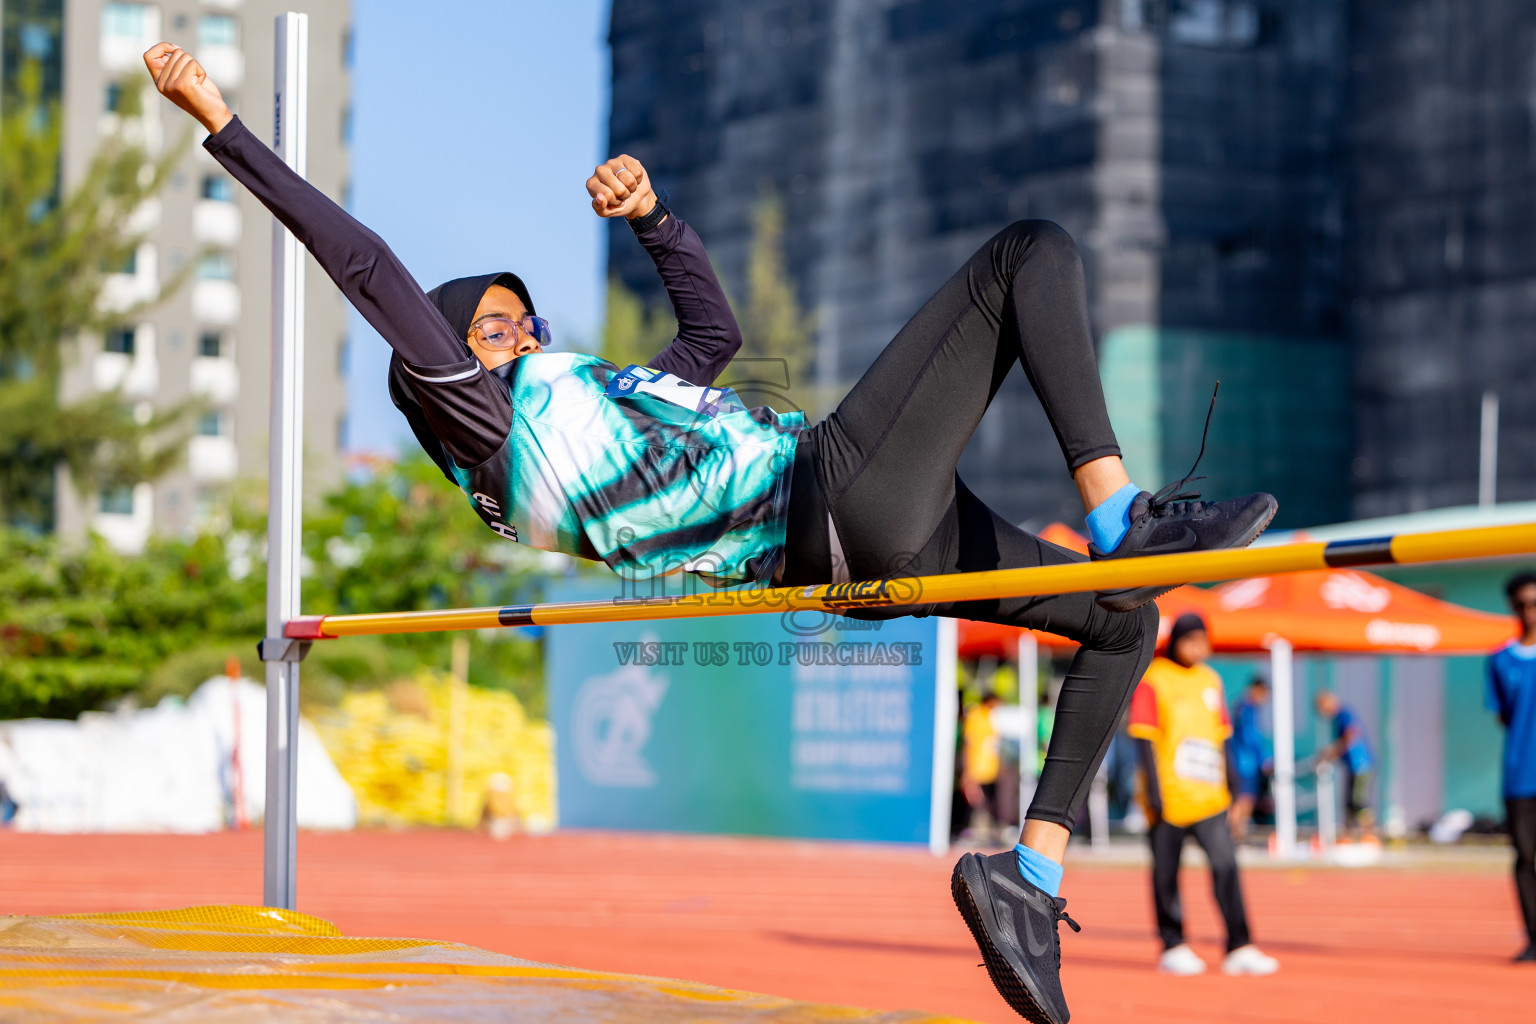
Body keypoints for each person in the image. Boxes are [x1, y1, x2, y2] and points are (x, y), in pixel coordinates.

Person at [143, 44, 1279, 1024]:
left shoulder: (596, 406)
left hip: (871, 545)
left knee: (1126, 617)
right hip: (834, 499)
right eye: (499, 322)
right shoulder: (488, 426)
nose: (528, 327)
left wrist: (653, 219)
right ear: (445, 367)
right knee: (1029, 252)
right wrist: (226, 126)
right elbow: (364, 263)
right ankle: (1120, 510)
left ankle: (1029, 871)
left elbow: (715, 331)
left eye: (527, 311)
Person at [1128, 613, 1278, 977]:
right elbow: (1143, 739)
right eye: (1190, 640)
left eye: (1202, 641)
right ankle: (1173, 943)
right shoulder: (1154, 679)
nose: (1198, 648)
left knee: (1226, 867)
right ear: (1177, 641)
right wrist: (1155, 794)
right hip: (1169, 798)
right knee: (1167, 874)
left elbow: (1222, 737)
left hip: (1210, 799)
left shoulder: (1211, 680)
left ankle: (1239, 945)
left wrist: (1237, 786)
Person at [1487, 571, 1536, 963]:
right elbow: (1503, 715)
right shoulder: (1500, 659)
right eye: (1522, 604)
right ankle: (1534, 937)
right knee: (1525, 856)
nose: (1529, 611)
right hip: (1520, 773)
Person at [1313, 691, 1376, 839]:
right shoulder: (1339, 717)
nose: (1322, 712)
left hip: (1360, 765)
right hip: (1353, 766)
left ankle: (1369, 834)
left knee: (1358, 801)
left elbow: (1351, 735)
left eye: (1322, 707)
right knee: (1348, 802)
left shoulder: (1343, 714)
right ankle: (1348, 835)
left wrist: (1331, 752)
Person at [1228, 676, 1272, 838]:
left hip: (1241, 761)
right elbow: (1250, 737)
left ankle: (1236, 833)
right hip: (1245, 764)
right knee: (1244, 799)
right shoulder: (1247, 709)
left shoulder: (1241, 707)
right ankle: (1234, 833)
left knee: (1243, 799)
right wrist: (1264, 759)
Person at [961, 691, 1004, 841]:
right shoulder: (976, 715)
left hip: (989, 768)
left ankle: (984, 832)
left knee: (987, 802)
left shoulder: (990, 717)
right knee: (973, 801)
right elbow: (968, 742)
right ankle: (969, 831)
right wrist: (967, 770)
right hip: (976, 767)